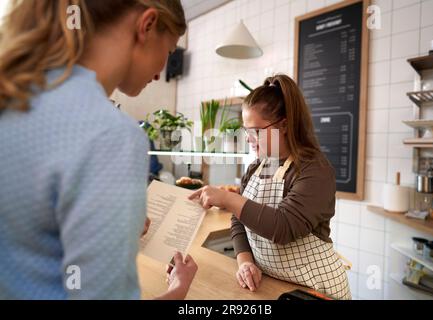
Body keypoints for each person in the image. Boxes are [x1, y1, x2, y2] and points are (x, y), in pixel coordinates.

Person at [0, 0, 197, 299]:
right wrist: (178, 291)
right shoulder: (110, 134)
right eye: (169, 51)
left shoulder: (16, 95)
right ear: (146, 25)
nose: (160, 72)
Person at [189, 75, 351, 300]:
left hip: (316, 289)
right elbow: (239, 219)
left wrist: (227, 199)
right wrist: (245, 261)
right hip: (274, 286)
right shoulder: (259, 166)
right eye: (246, 131)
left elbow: (283, 227)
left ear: (283, 125)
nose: (248, 139)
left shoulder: (314, 170)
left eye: (255, 131)